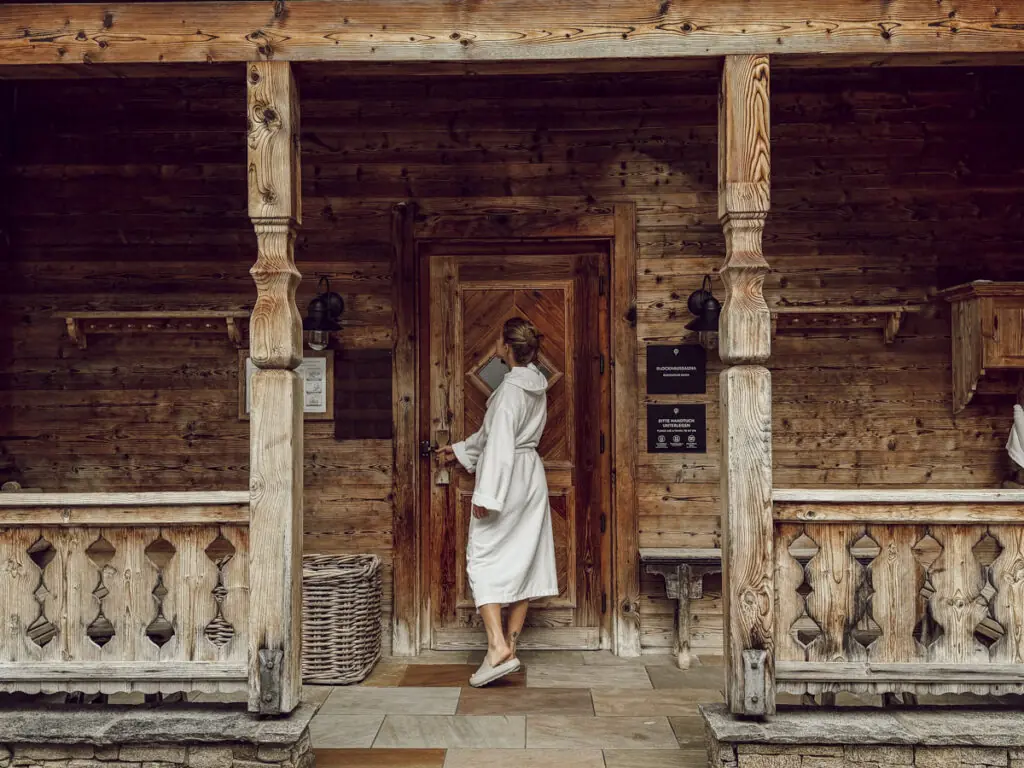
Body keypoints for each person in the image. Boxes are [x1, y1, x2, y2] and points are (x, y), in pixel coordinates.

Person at [438, 317, 558, 687]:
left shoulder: (509, 392)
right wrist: (459, 450)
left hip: (506, 481)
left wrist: (487, 495)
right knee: (524, 559)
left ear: (505, 347)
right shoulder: (535, 385)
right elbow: (496, 436)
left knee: (483, 557)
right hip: (529, 476)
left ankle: (496, 647)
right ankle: (510, 649)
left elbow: (501, 444)